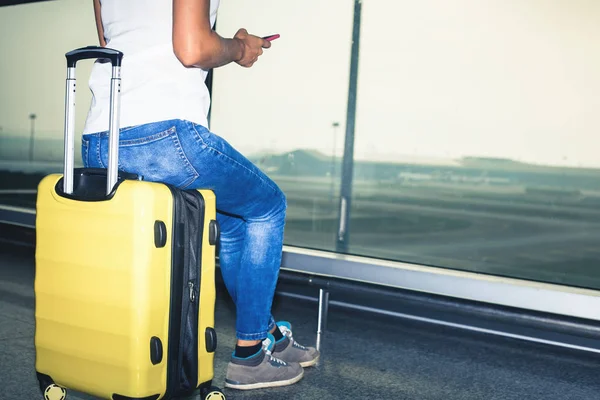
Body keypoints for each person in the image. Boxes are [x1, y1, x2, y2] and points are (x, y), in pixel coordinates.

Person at [84, 0, 319, 391]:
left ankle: (266, 332)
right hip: (166, 135)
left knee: (230, 217)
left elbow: (113, 38)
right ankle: (250, 354)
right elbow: (192, 49)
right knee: (266, 207)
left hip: (101, 138)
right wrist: (240, 48)